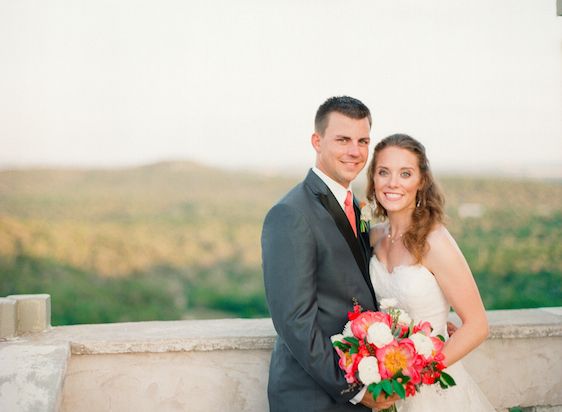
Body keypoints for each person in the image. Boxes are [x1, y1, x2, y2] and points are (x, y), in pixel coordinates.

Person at [262, 96, 396, 411]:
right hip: (313, 397)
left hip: (361, 388)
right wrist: (355, 389)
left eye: (363, 141)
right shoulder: (290, 213)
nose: (354, 151)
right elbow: (295, 321)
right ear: (317, 141)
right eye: (343, 140)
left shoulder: (359, 208)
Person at [365, 133, 495, 411]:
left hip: (431, 389)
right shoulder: (374, 237)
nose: (392, 183)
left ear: (421, 181)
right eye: (383, 172)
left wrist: (412, 378)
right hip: (382, 386)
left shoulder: (435, 242)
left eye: (405, 173)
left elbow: (477, 325)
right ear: (373, 178)